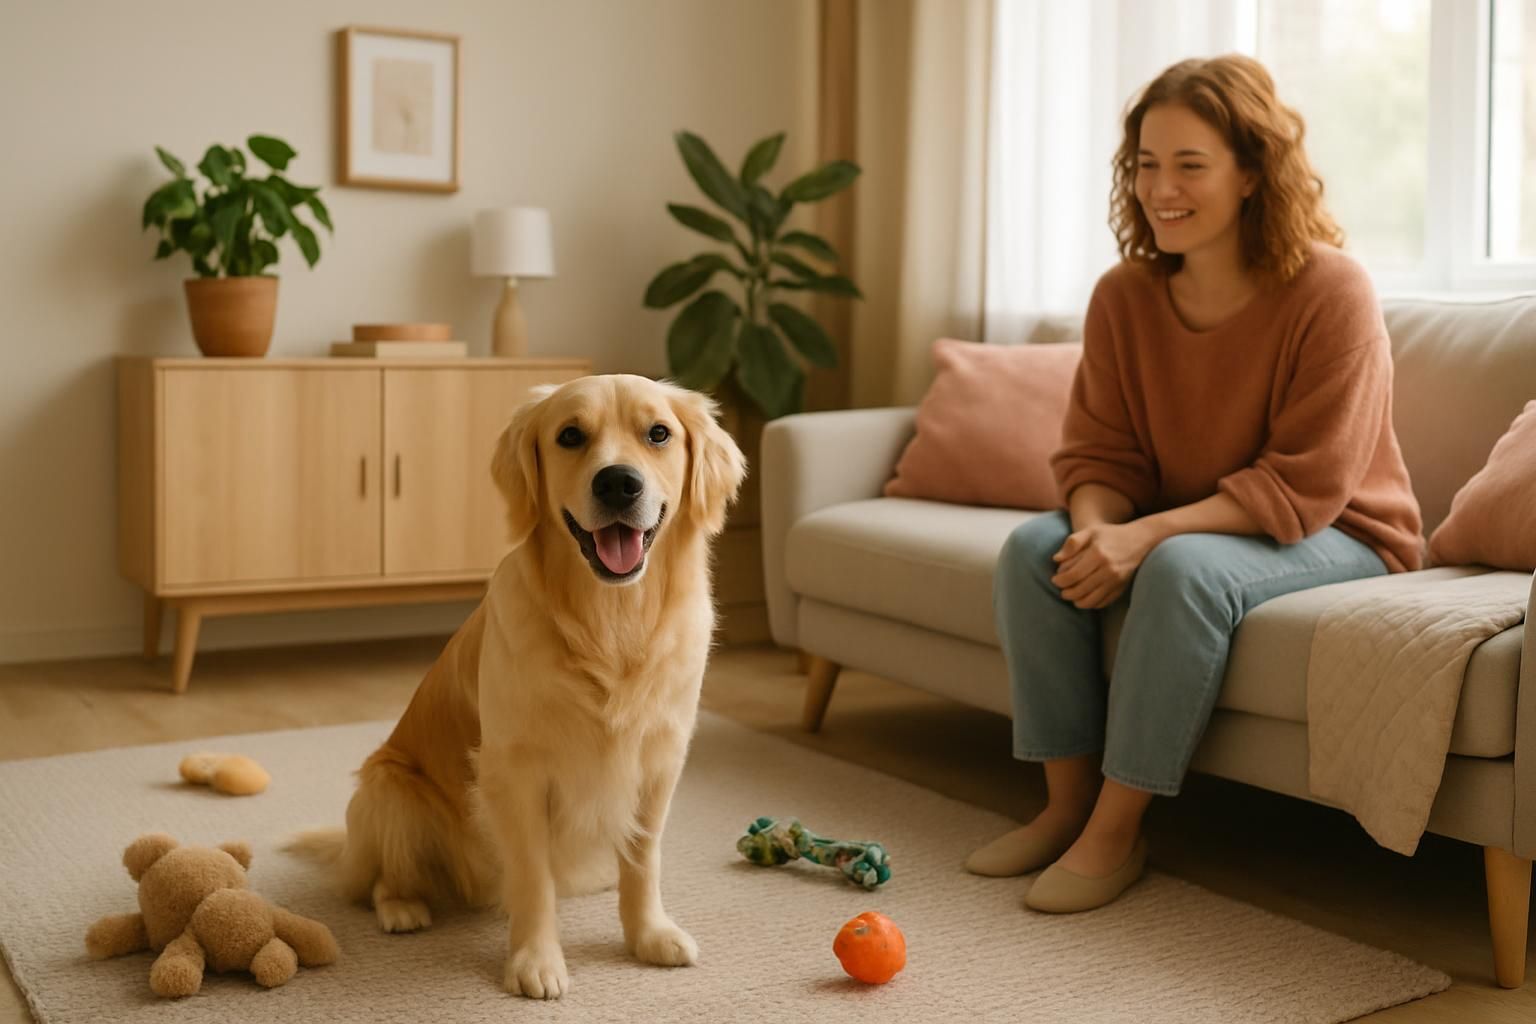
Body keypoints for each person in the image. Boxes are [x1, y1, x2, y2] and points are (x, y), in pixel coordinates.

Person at [964, 55, 1423, 913]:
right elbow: (1099, 458)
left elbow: (1308, 484)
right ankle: (1064, 808)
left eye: (1189, 164)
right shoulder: (1124, 297)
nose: (1159, 188)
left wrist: (1146, 537)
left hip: (1341, 532)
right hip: (1200, 521)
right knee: (1036, 548)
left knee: (1181, 569)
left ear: (1252, 173)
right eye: (1145, 164)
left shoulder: (1333, 290)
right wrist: (1099, 528)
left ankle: (1116, 830)